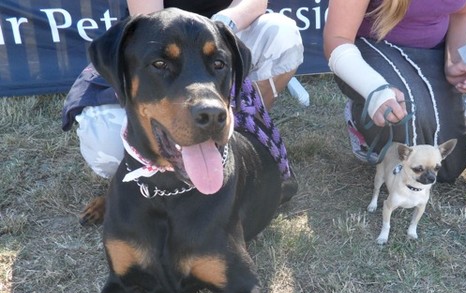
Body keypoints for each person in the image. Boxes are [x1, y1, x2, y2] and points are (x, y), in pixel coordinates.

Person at [63, 0, 303, 179]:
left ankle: (240, 131)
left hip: (223, 33)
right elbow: (151, 22)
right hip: (157, 38)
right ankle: (135, 181)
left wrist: (222, 23)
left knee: (281, 31)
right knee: (106, 144)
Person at [324, 0, 466, 183]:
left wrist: (453, 60)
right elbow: (337, 38)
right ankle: (361, 114)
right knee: (407, 115)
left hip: (432, 51)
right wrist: (374, 89)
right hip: (372, 47)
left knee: (450, 166)